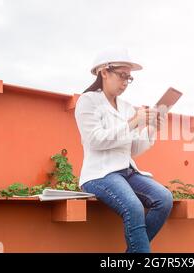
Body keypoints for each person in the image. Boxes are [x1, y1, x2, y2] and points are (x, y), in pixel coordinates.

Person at [74, 48, 173, 253]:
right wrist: (133, 122)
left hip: (127, 172)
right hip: (99, 174)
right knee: (134, 207)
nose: (125, 83)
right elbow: (95, 140)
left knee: (164, 199)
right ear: (104, 72)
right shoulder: (88, 101)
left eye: (129, 78)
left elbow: (133, 148)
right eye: (122, 76)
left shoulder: (127, 107)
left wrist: (152, 127)